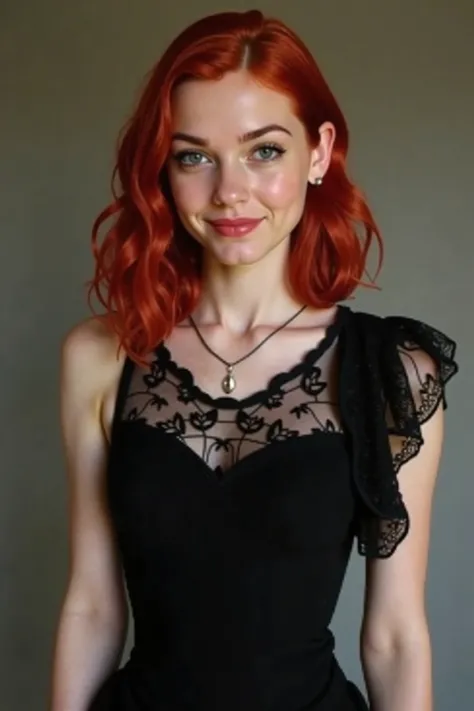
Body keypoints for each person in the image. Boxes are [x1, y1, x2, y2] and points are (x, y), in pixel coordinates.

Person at [49, 9, 458, 711]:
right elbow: (91, 605)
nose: (229, 191)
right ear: (164, 169)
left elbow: (394, 634)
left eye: (264, 150)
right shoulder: (99, 355)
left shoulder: (394, 372)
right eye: (194, 155)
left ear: (320, 151)